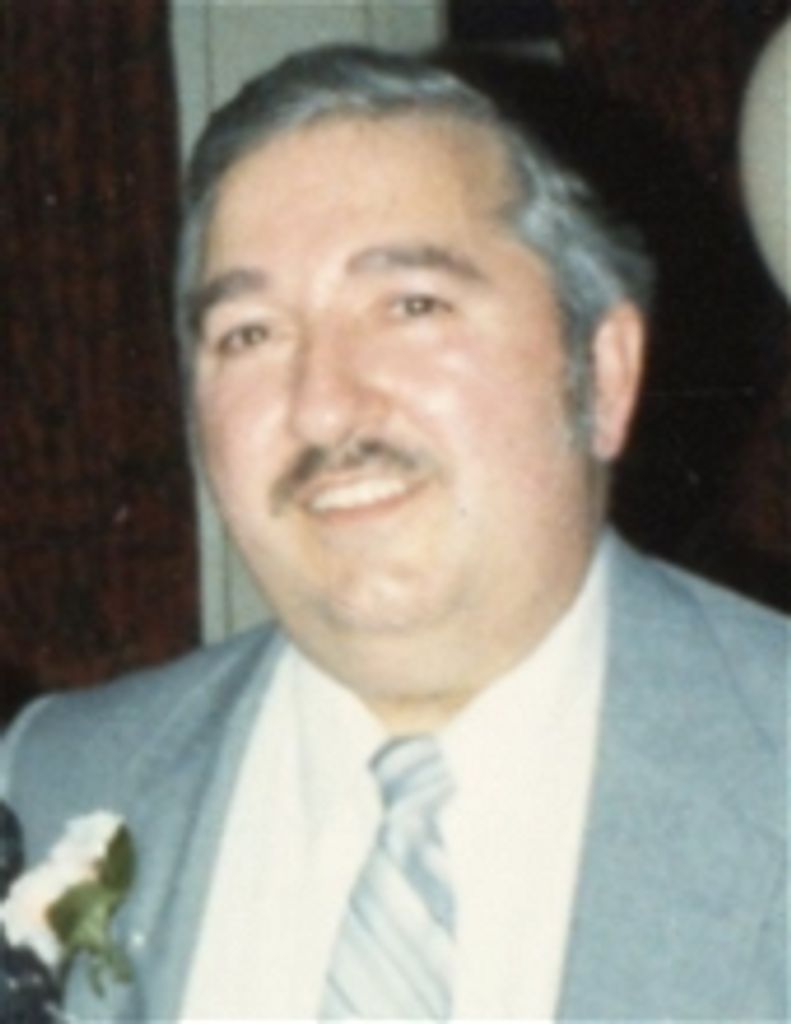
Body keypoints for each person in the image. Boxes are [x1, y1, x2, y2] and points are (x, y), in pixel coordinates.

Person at [0, 45, 786, 1021]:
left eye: (411, 306)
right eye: (249, 333)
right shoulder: (55, 776)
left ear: (603, 373)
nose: (322, 406)